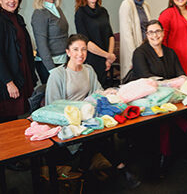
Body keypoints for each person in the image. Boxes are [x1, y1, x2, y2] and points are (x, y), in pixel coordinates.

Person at [46, 34, 140, 188]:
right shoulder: (57, 75)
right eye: (75, 49)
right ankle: (119, 167)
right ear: (68, 52)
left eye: (83, 49)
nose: (80, 53)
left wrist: (108, 93)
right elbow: (54, 106)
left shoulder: (88, 70)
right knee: (98, 137)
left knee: (105, 128)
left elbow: (98, 92)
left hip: (89, 116)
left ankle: (88, 170)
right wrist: (81, 110)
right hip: (69, 121)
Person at [128, 20, 187, 177]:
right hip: (147, 97)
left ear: (163, 33)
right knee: (166, 118)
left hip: (169, 96)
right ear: (147, 35)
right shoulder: (140, 52)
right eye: (151, 32)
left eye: (158, 31)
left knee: (182, 107)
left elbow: (181, 75)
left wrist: (172, 83)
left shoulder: (170, 52)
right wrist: (172, 83)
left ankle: (169, 153)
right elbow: (148, 81)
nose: (155, 35)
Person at [0, 0, 37, 123]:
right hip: (6, 81)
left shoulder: (18, 18)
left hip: (20, 74)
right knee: (7, 122)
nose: (11, 1)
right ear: (0, 0)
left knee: (16, 119)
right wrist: (9, 82)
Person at [74, 0, 116, 88]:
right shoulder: (80, 13)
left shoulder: (103, 11)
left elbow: (110, 36)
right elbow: (85, 42)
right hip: (91, 60)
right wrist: (107, 55)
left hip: (106, 60)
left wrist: (109, 58)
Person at [31, 0, 68, 84]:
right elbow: (42, 45)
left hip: (62, 61)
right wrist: (52, 70)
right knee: (54, 100)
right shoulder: (39, 13)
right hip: (48, 64)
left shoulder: (57, 9)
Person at [119, 0, 151, 80]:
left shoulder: (145, 5)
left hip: (147, 48)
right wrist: (135, 55)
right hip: (134, 50)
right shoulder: (126, 5)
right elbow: (127, 34)